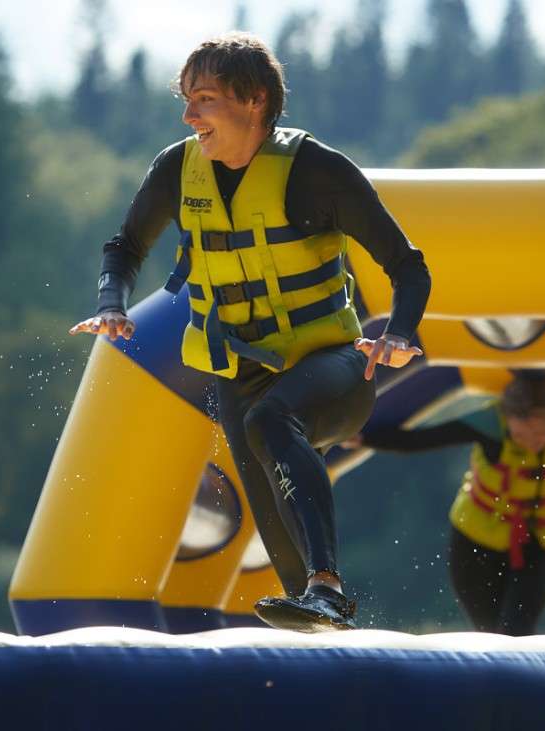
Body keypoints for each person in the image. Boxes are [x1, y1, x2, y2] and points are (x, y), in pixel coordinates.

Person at [69, 33, 430, 632]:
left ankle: (329, 589)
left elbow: (407, 265)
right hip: (241, 376)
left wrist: (399, 330)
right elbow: (125, 247)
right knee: (281, 544)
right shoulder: (177, 169)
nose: (189, 116)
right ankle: (321, 621)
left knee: (272, 420)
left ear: (254, 99)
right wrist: (113, 301)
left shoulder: (318, 172)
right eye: (185, 100)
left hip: (336, 368)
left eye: (204, 99)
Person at [352, 375, 545, 636]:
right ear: (507, 419)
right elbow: (420, 440)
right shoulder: (490, 425)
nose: (532, 444)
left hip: (541, 546)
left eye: (540, 434)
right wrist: (365, 436)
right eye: (521, 435)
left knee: (517, 632)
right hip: (475, 544)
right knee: (489, 634)